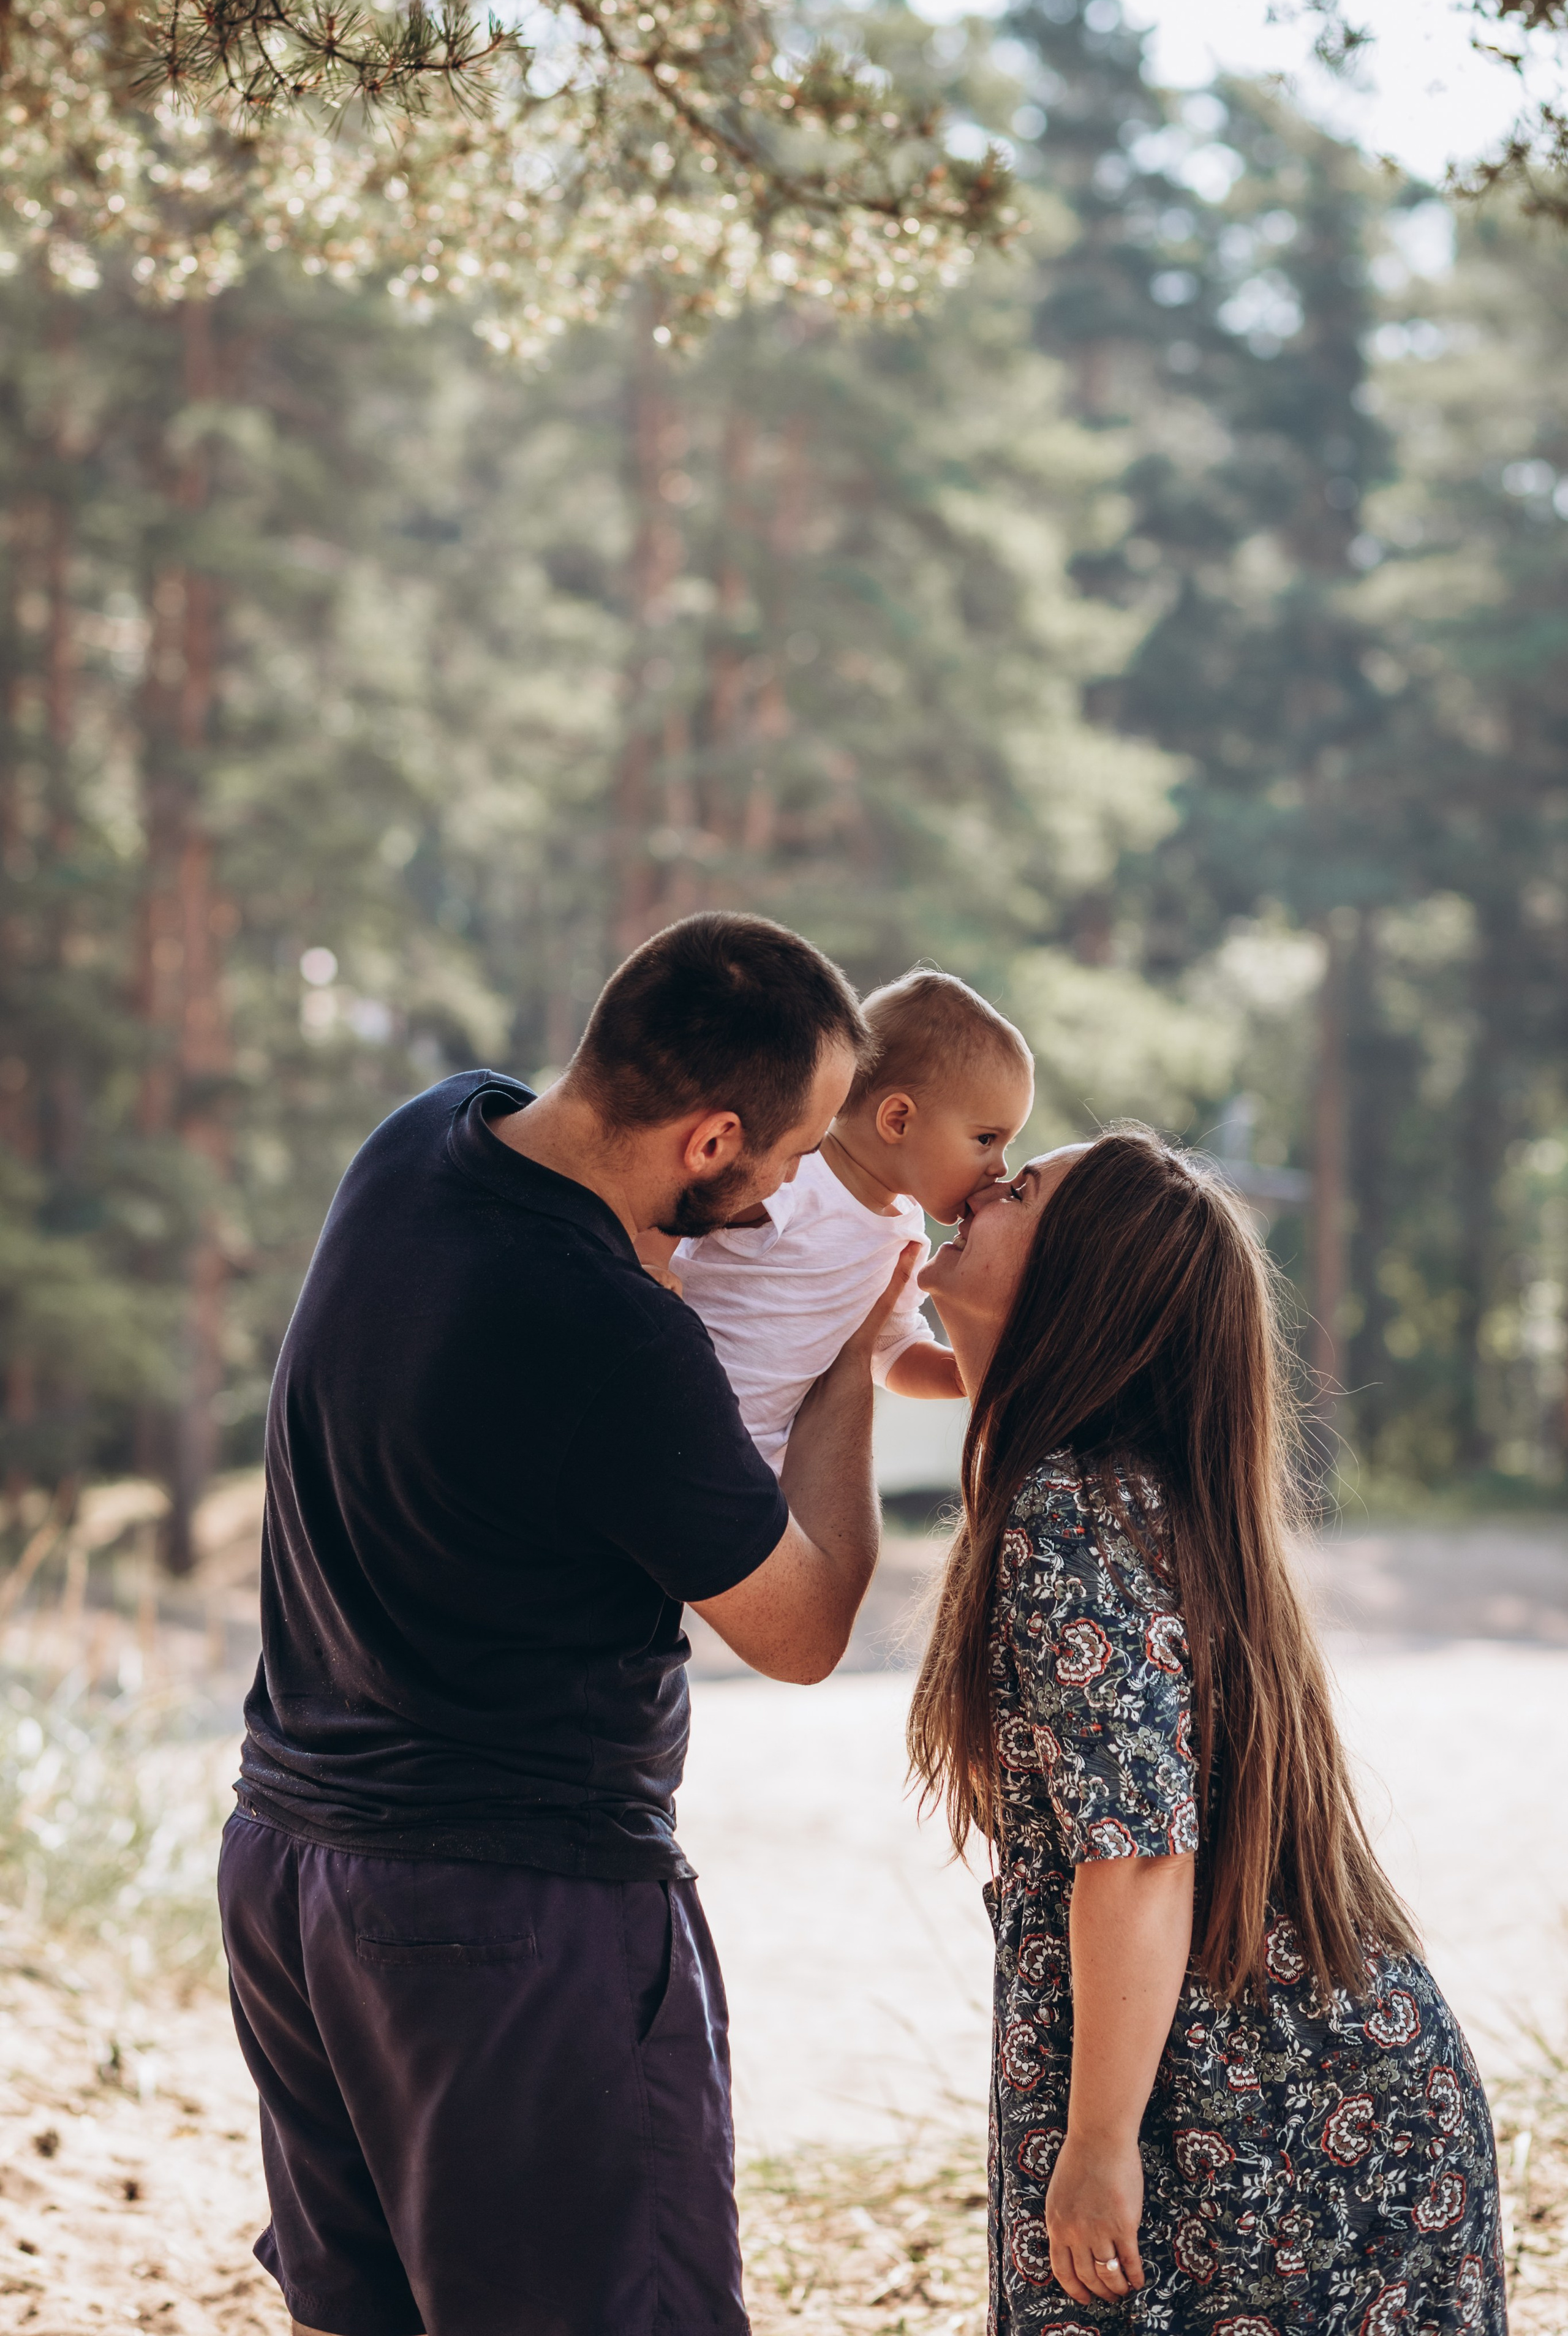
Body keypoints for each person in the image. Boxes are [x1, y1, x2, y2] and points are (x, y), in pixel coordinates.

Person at [217, 911, 916, 2336]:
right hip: (505, 1917)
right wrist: (847, 1361)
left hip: (291, 1872)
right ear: (709, 1139)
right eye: (796, 1153)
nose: (797, 1192)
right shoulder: (615, 1341)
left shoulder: (424, 1136)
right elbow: (798, 1629)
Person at [907, 1128, 1505, 2335]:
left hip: (1245, 2122)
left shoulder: (1068, 1507)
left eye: (1019, 1189)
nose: (977, 1193)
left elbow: (1137, 1854)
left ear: (1076, 1283)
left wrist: (1094, 2145)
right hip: (1311, 2089)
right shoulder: (1128, 1490)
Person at [651, 970, 1035, 1472]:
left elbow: (891, 1348)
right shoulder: (793, 1175)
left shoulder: (903, 1235)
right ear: (897, 1119)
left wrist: (961, 1375)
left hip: (752, 1467)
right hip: (666, 1412)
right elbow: (675, 1202)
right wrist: (649, 1265)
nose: (1000, 1167)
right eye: (986, 1139)